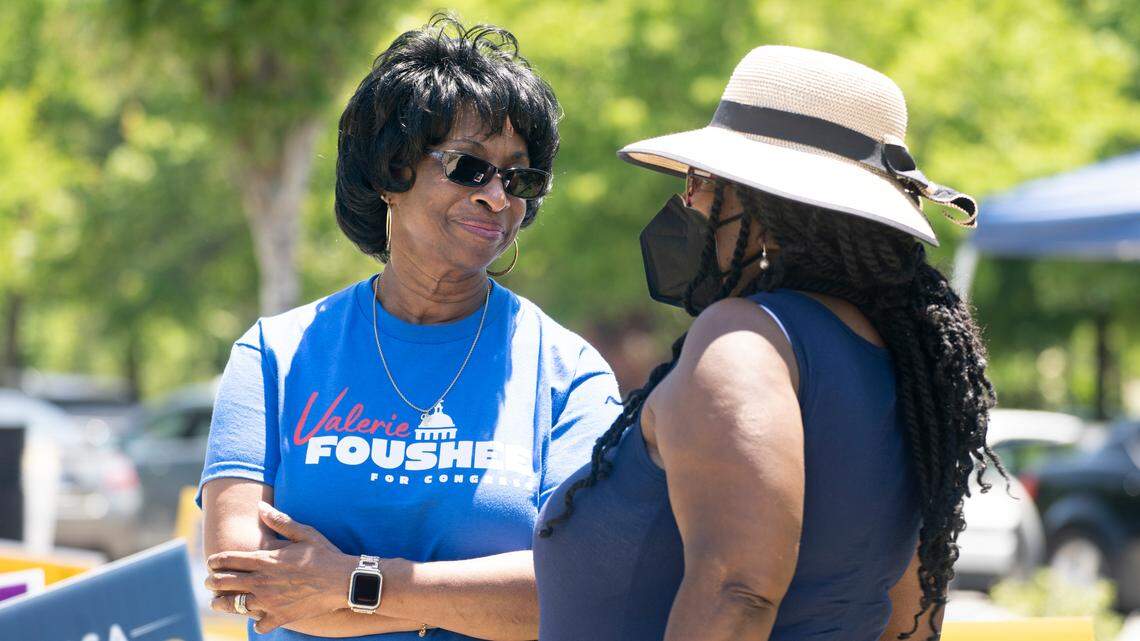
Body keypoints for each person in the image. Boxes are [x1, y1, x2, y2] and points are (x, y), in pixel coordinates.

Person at [533, 45, 1005, 641]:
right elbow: (912, 619)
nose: (689, 198)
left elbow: (738, 591)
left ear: (770, 206)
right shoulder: (898, 362)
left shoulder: (744, 338)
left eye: (705, 179)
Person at [199, 14, 621, 640]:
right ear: (389, 174)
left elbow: (577, 590)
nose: (498, 198)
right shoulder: (275, 355)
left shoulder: (569, 371)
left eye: (520, 177)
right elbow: (247, 581)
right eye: (470, 167)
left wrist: (354, 582)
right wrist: (468, 601)